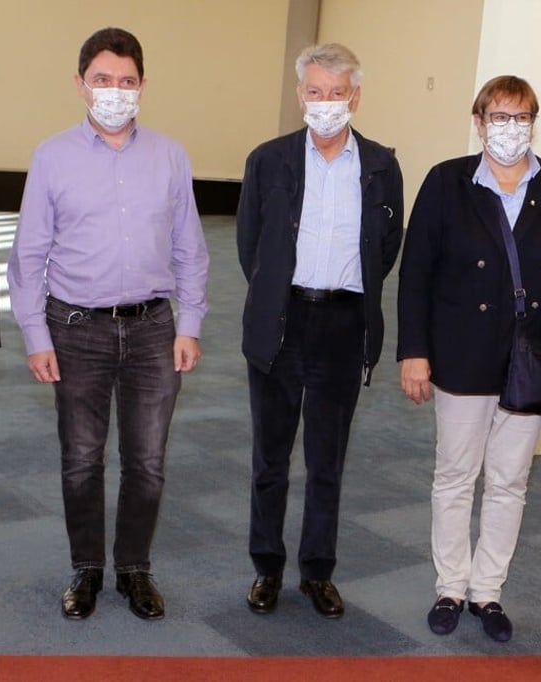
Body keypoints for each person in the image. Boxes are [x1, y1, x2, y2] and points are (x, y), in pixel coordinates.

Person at [7, 27, 208, 623]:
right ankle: (87, 567)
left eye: (126, 81)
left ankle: (135, 569)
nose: (114, 92)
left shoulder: (170, 155)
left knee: (147, 461)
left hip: (152, 329)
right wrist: (35, 336)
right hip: (74, 330)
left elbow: (190, 248)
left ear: (142, 86)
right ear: (80, 85)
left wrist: (189, 323)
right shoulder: (52, 156)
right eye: (102, 80)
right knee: (82, 458)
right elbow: (28, 255)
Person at [397, 76, 541, 642]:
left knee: (510, 480)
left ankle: (488, 592)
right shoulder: (445, 181)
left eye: (521, 116)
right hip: (460, 353)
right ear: (477, 122)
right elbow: (415, 275)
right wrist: (414, 352)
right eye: (498, 117)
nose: (511, 128)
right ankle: (451, 586)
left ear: (535, 121)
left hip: (534, 356)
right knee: (456, 476)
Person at [237, 43, 403, 619]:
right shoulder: (268, 160)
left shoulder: (381, 164)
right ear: (300, 95)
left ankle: (317, 571)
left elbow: (384, 249)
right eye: (316, 92)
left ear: (354, 97)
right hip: (281, 322)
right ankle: (266, 567)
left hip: (343, 323)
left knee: (327, 460)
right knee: (271, 458)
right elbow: (250, 246)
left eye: (337, 93)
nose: (326, 103)